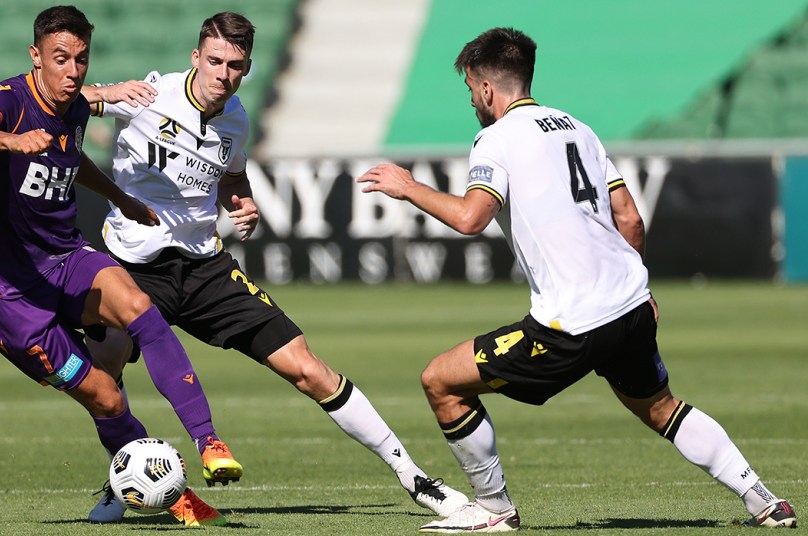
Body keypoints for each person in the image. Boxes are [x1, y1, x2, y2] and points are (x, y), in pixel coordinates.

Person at [356, 27, 798, 533]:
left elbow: (470, 218)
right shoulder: (578, 129)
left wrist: (409, 187)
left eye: (471, 89)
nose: (472, 101)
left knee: (441, 381)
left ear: (486, 88)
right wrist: (639, 288)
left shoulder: (495, 139)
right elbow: (630, 218)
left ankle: (494, 509)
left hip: (572, 323)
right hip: (629, 307)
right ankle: (764, 500)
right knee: (661, 407)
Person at [79, 10, 469, 523]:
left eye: (234, 66)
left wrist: (241, 201)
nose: (223, 74)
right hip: (132, 265)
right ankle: (122, 478)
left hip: (204, 268)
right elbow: (60, 98)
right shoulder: (148, 96)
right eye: (214, 61)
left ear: (246, 68)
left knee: (307, 367)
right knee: (103, 374)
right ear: (195, 57)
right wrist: (105, 91)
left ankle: (414, 477)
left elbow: (231, 177)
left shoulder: (236, 120)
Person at [0, 5, 237, 527]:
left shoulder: (74, 106)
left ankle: (208, 439)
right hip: (5, 295)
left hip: (63, 258)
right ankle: (174, 498)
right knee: (104, 396)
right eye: (61, 58)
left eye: (81, 59)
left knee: (139, 306)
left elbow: (71, 156)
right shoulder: (7, 99)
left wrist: (120, 199)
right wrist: (10, 140)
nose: (73, 70)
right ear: (36, 57)